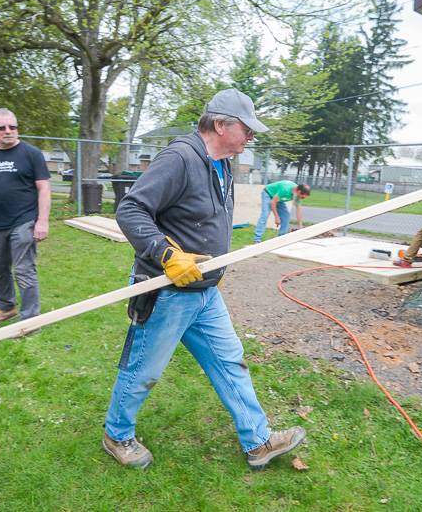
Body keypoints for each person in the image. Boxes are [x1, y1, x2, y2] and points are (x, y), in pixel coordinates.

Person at [104, 88, 305, 470]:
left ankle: (258, 441)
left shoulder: (224, 163)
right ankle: (116, 434)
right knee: (143, 370)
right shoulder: (179, 158)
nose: (251, 137)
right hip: (166, 291)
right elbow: (130, 209)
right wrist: (166, 253)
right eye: (246, 129)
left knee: (231, 362)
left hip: (205, 291)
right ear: (219, 124)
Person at [0, 108, 51, 329]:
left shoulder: (31, 154)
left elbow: (43, 188)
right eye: (2, 127)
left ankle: (31, 320)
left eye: (12, 127)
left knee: (24, 269)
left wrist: (42, 220)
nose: (8, 131)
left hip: (23, 220)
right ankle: (6, 308)